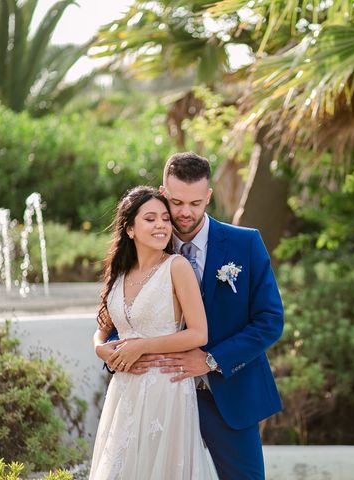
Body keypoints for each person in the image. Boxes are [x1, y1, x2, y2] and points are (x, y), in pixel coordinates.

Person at [127, 152, 284, 479]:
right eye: (177, 201)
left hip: (229, 395)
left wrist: (212, 360)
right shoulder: (144, 243)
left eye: (196, 203)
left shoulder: (246, 244)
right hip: (160, 396)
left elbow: (270, 321)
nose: (185, 212)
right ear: (162, 191)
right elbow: (121, 313)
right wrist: (111, 349)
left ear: (209, 196)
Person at [89, 186, 218, 479]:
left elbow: (199, 334)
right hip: (124, 391)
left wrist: (143, 346)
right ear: (130, 228)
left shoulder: (177, 267)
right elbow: (102, 328)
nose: (161, 225)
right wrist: (99, 348)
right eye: (150, 219)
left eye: (164, 218)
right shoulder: (119, 273)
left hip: (166, 389)